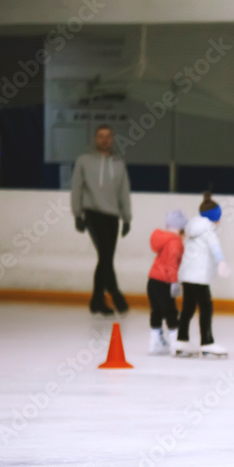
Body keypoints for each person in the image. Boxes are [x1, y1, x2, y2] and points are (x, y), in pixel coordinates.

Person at [71, 124, 132, 316]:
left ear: (112, 139)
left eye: (107, 136)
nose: (104, 140)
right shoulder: (84, 161)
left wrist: (126, 217)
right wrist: (77, 214)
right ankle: (114, 294)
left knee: (106, 258)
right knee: (105, 256)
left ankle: (97, 300)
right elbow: (77, 187)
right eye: (100, 136)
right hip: (92, 213)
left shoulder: (118, 164)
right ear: (95, 139)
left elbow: (124, 192)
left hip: (112, 216)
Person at [174, 192, 230, 358]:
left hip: (187, 275)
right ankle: (207, 343)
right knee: (206, 307)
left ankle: (181, 340)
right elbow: (215, 249)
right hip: (199, 276)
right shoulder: (209, 231)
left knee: (188, 307)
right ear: (215, 217)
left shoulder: (192, 229)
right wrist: (222, 262)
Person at [147, 210, 187, 355]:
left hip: (152, 280)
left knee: (156, 312)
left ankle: (154, 343)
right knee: (171, 312)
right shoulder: (175, 242)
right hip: (164, 282)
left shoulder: (163, 239)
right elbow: (172, 264)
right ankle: (176, 345)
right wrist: (174, 282)